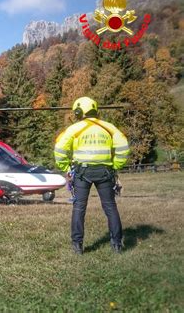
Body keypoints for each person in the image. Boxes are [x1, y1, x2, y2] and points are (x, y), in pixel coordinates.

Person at [54, 96, 130, 255]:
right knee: (110, 207)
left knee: (79, 208)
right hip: (105, 172)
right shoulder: (109, 128)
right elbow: (123, 147)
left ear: (78, 111)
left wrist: (66, 167)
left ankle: (77, 246)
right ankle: (117, 244)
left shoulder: (75, 129)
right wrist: (115, 166)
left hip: (82, 172)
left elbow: (59, 149)